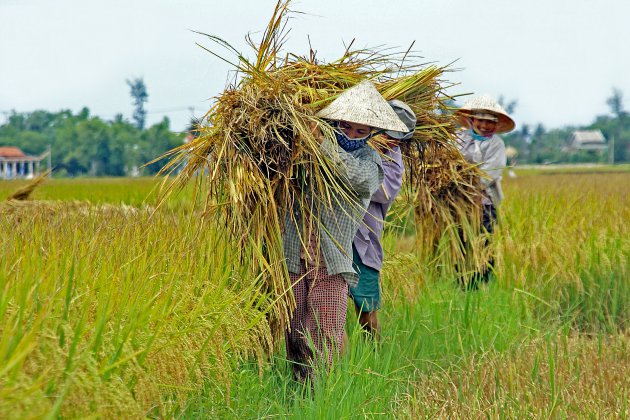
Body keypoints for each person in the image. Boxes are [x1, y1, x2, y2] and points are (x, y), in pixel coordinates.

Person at [283, 81, 408, 382]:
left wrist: (320, 142)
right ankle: (299, 392)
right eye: (345, 126)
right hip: (293, 254)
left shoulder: (371, 164)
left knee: (326, 332)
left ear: (371, 134)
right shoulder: (308, 150)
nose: (350, 135)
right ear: (334, 122)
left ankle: (326, 392)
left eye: (360, 131)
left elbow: (349, 173)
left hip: (330, 260)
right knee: (295, 330)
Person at [350, 100, 416, 340]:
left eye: (395, 138)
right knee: (332, 304)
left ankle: (374, 354)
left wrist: (349, 173)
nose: (388, 141)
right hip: (336, 233)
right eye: (385, 134)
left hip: (364, 238)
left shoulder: (393, 163)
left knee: (365, 310)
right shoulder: (353, 141)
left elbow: (379, 190)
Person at [454, 94, 515, 288]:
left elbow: (490, 174)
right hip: (458, 202)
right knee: (461, 240)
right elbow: (449, 160)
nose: (485, 125)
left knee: (484, 241)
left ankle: (484, 282)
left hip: (485, 202)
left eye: (490, 122)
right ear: (471, 120)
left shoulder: (496, 144)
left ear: (496, 125)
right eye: (480, 120)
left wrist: (467, 182)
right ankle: (464, 284)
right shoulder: (459, 138)